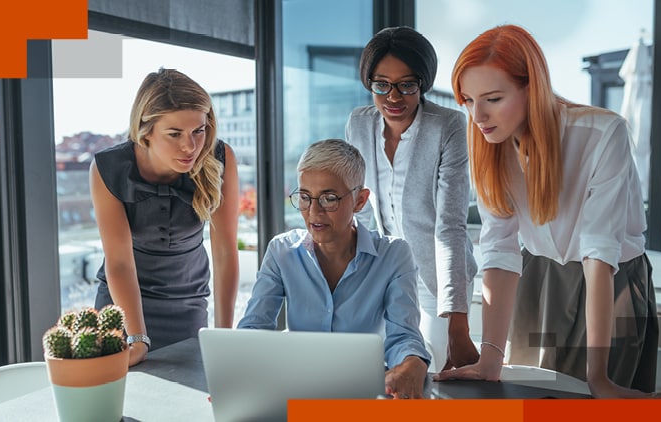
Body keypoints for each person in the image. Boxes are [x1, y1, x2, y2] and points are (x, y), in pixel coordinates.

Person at [435, 24, 661, 399]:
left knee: (594, 402)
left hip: (612, 283)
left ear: (532, 88)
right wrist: (491, 357)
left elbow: (598, 253)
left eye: (493, 98)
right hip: (538, 280)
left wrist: (599, 379)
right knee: (532, 394)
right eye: (468, 100)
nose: (478, 116)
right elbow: (499, 250)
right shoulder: (490, 147)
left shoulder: (603, 134)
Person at [238, 139, 430, 399]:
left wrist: (412, 362)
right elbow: (253, 330)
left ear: (360, 201)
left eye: (329, 199)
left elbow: (403, 335)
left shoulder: (393, 255)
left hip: (365, 393)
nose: (314, 212)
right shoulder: (280, 251)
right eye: (305, 197)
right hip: (297, 389)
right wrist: (235, 375)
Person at [345, 26, 479, 373]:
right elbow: (359, 211)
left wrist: (459, 325)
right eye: (381, 85)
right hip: (386, 273)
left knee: (434, 374)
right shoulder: (359, 124)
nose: (393, 96)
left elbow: (450, 226)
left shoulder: (447, 126)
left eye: (407, 84)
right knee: (382, 375)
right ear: (369, 82)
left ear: (423, 83)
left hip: (437, 281)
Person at [90, 68, 240, 366]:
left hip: (188, 305)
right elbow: (118, 262)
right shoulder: (109, 167)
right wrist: (136, 338)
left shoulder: (220, 157)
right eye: (174, 134)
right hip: (123, 307)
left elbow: (225, 251)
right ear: (145, 130)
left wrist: (224, 337)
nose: (190, 146)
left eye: (199, 130)